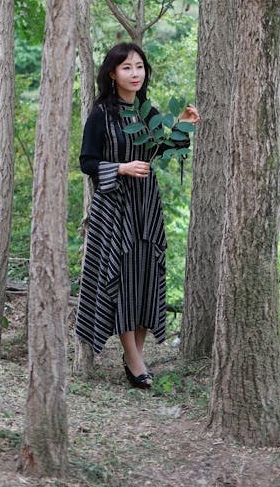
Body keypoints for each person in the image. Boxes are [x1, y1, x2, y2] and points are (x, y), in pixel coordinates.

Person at [76, 42, 199, 390]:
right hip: (114, 208)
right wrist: (121, 167)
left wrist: (184, 127)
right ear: (112, 73)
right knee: (120, 280)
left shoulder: (148, 112)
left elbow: (160, 152)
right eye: (127, 67)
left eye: (140, 67)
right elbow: (86, 162)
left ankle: (136, 361)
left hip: (146, 205)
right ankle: (134, 360)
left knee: (144, 277)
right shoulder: (102, 114)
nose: (135, 73)